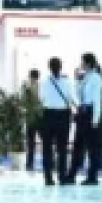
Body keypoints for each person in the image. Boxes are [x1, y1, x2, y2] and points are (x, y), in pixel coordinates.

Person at [39, 57, 76, 186]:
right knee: (62, 148)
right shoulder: (67, 82)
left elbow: (41, 98)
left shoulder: (44, 83)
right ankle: (62, 177)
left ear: (49, 67)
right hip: (63, 115)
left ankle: (48, 178)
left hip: (48, 115)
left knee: (47, 148)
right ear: (61, 67)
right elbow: (72, 98)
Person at [71, 52, 102, 185]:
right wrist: (77, 80)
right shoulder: (85, 77)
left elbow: (97, 100)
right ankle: (72, 174)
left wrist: (95, 119)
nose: (81, 64)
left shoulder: (96, 78)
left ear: (89, 63)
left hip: (90, 113)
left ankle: (92, 176)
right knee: (78, 144)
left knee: (92, 147)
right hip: (82, 112)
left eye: (83, 62)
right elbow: (78, 95)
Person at [21, 68, 43, 172]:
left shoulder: (27, 87)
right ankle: (50, 162)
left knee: (31, 143)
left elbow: (23, 101)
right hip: (40, 117)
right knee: (45, 141)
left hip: (31, 117)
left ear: (30, 76)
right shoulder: (42, 87)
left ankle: (29, 164)